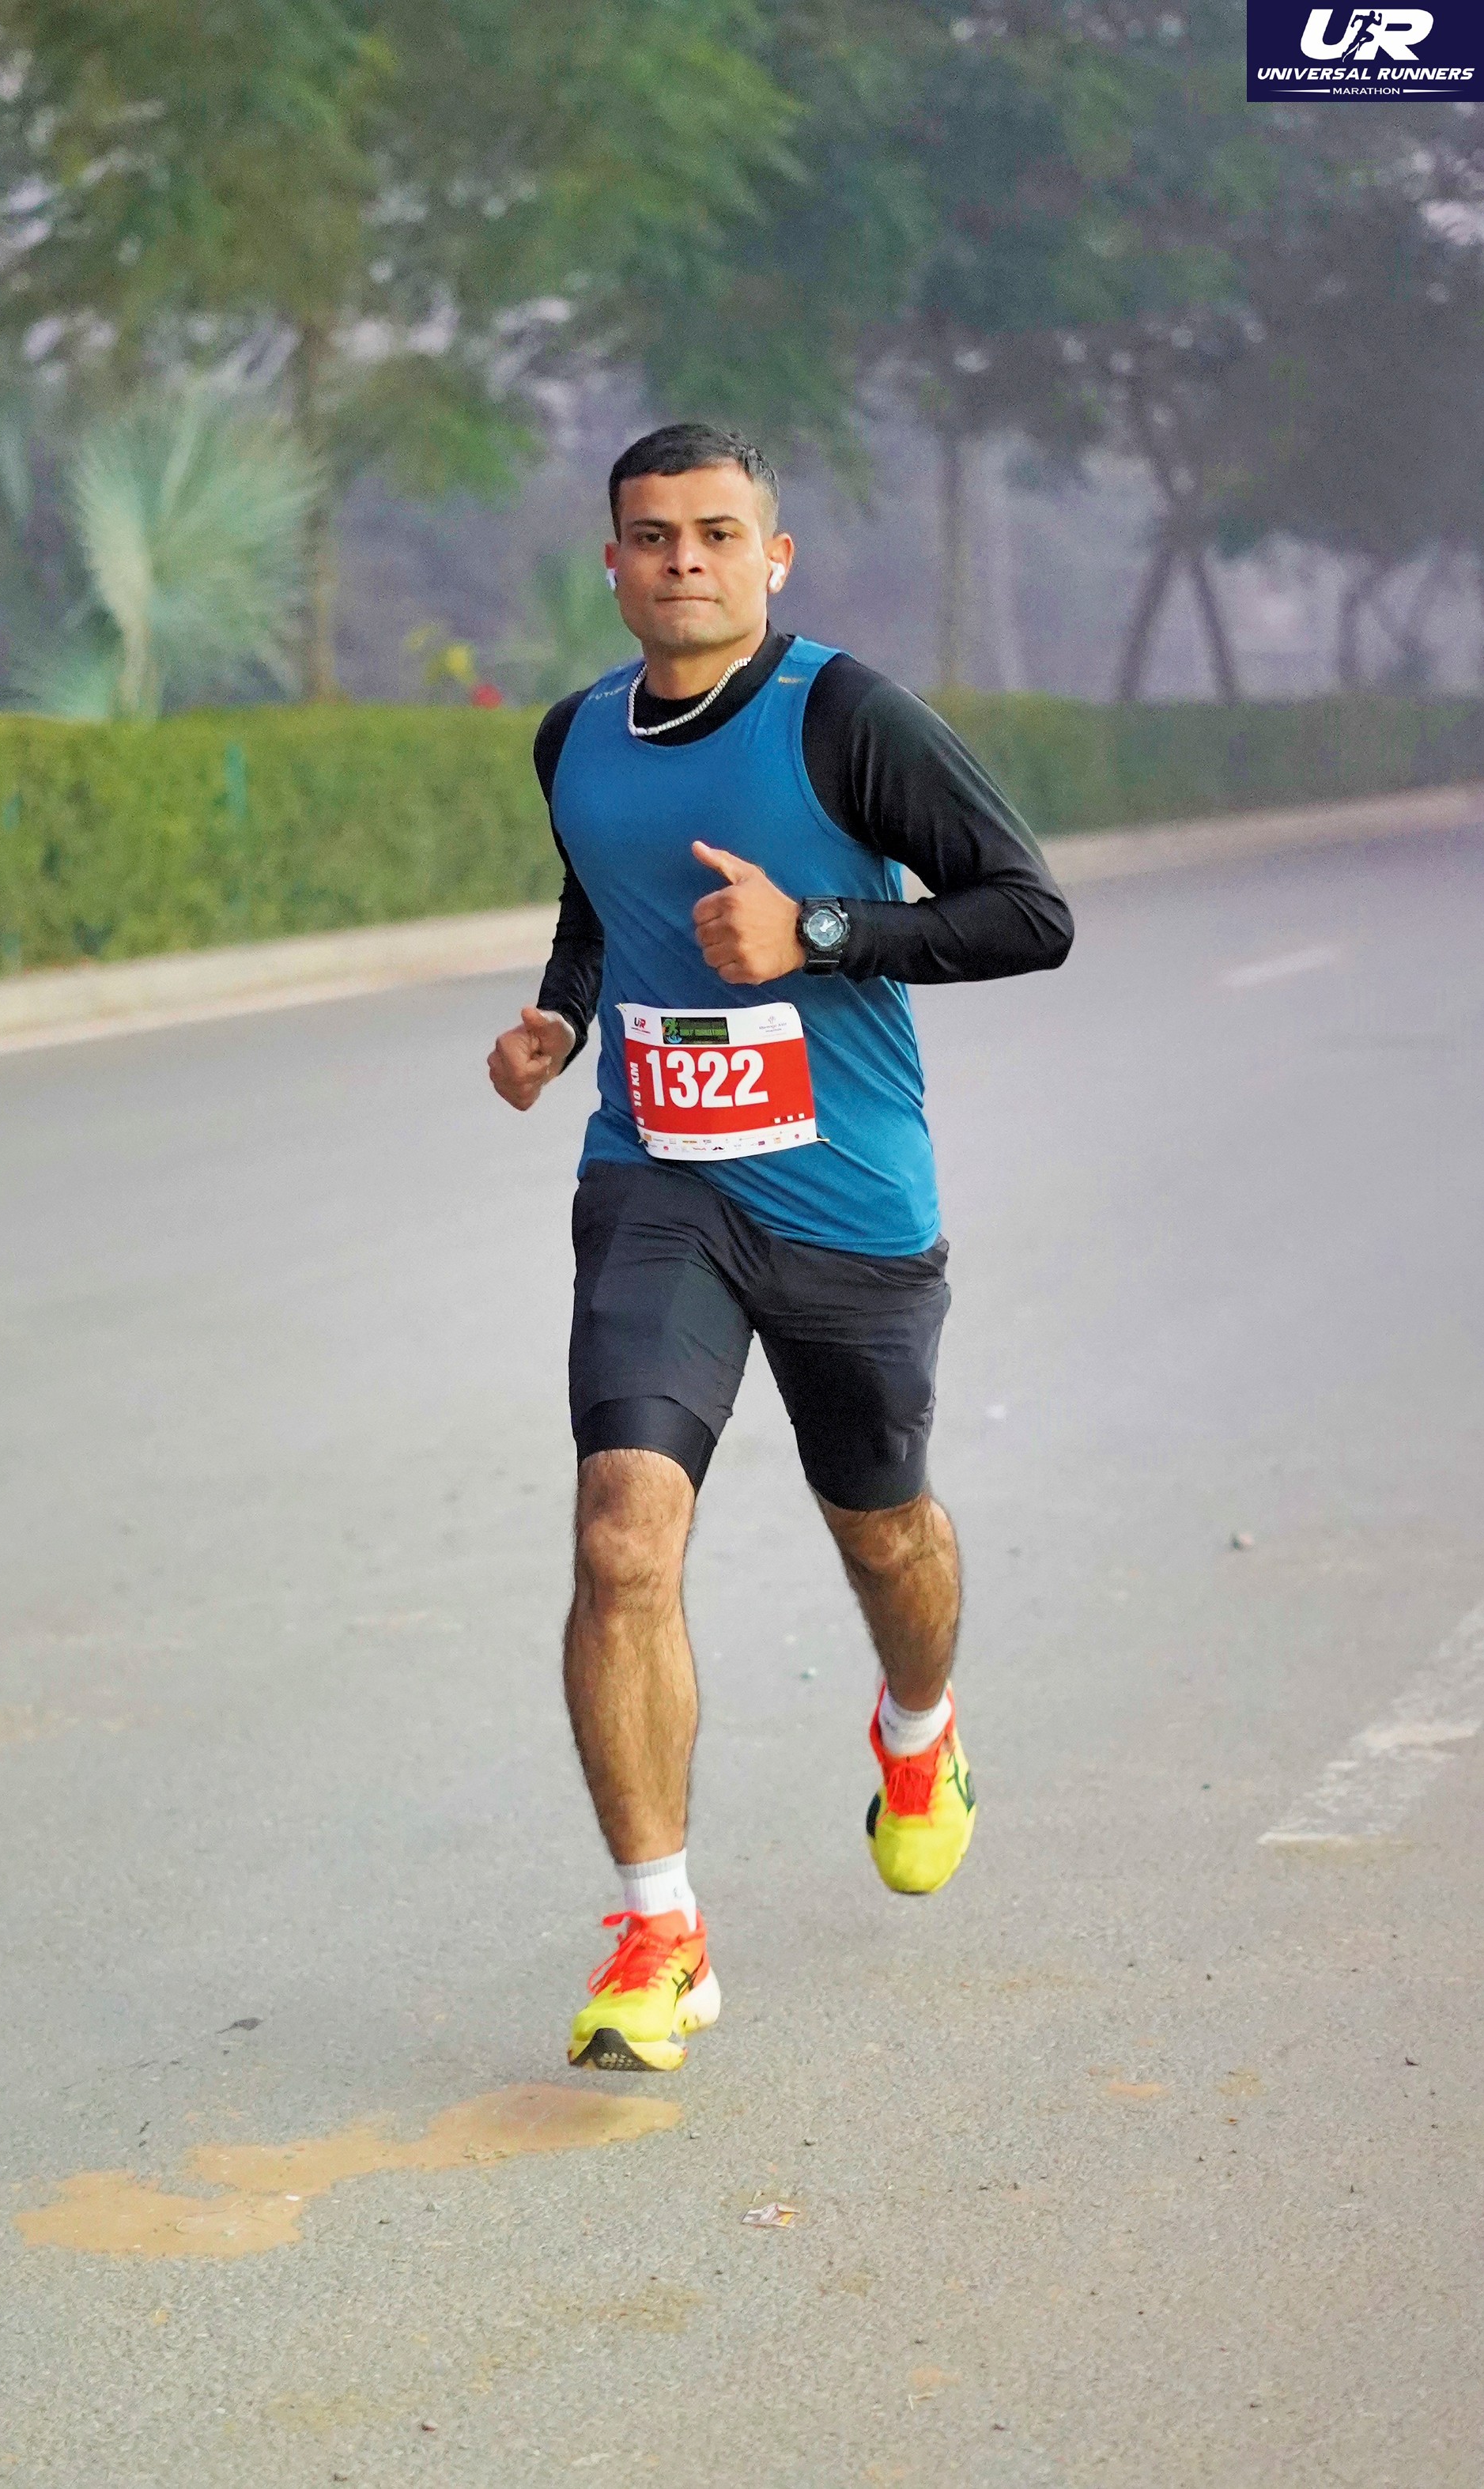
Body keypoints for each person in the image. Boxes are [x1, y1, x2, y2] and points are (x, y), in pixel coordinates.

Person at [487, 421, 1073, 2074]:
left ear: (774, 555)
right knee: (622, 1537)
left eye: (718, 533)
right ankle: (658, 1932)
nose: (685, 560)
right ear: (613, 562)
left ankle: (918, 1728)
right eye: (653, 535)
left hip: (846, 1201)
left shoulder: (845, 716)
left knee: (884, 1534)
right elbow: (602, 895)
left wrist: (819, 931)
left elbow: (1030, 910)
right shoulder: (572, 734)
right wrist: (562, 1018)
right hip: (657, 1179)